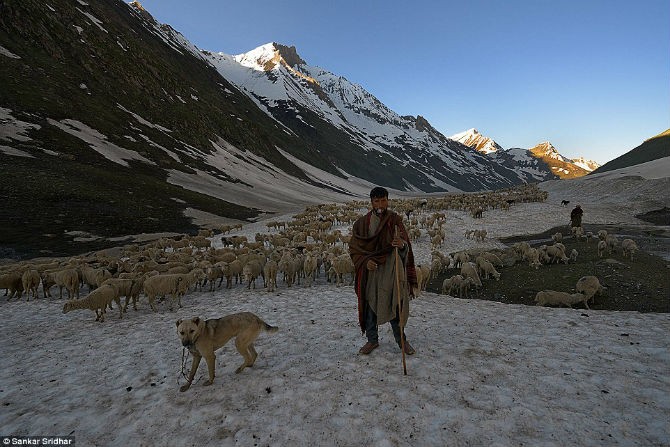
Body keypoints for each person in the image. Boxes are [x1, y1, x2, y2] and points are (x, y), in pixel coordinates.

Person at [349, 186, 418, 355]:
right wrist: (365, 263)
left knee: (394, 303)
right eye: (377, 201)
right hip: (372, 272)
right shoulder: (362, 224)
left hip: (391, 269)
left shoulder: (395, 221)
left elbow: (405, 246)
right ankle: (372, 340)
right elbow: (355, 249)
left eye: (383, 200)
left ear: (388, 200)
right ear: (372, 202)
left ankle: (402, 341)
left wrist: (401, 245)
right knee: (371, 305)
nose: (380, 204)